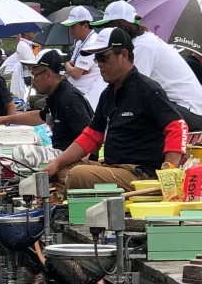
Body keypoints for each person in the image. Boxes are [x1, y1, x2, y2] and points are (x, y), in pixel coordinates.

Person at [43, 28, 189, 193]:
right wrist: (57, 163)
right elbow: (92, 135)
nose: (99, 65)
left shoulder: (146, 89)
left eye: (104, 58)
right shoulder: (108, 93)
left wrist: (168, 171)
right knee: (59, 171)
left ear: (124, 55)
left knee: (77, 175)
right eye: (97, 58)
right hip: (112, 169)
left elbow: (178, 126)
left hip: (138, 173)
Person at [92, 0, 202, 131]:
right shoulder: (142, 41)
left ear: (120, 26)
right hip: (184, 108)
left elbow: (132, 90)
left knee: (131, 111)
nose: (105, 31)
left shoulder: (143, 46)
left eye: (108, 26)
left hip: (191, 113)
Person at [0, 49, 94, 173]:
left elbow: (88, 136)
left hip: (72, 157)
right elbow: (39, 116)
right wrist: (4, 119)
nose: (33, 80)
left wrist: (80, 169)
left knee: (21, 153)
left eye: (35, 75)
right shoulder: (57, 94)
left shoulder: (69, 98)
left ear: (48, 74)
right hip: (61, 151)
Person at [62, 6, 107, 111]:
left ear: (85, 26)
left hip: (86, 93)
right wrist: (71, 66)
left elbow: (76, 73)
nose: (70, 31)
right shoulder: (79, 43)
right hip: (77, 89)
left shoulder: (93, 42)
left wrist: (67, 64)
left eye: (73, 27)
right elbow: (73, 66)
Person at [10, 32, 36, 100]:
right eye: (32, 31)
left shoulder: (25, 44)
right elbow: (31, 62)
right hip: (25, 74)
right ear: (27, 33)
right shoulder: (23, 45)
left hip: (26, 73)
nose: (34, 33)